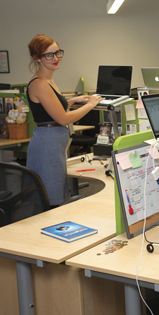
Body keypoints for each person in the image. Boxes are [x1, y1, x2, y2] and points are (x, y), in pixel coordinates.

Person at [25, 34, 103, 206]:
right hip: (47, 144)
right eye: (49, 55)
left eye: (58, 53)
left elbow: (52, 108)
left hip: (54, 142)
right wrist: (90, 104)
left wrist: (73, 101)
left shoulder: (49, 79)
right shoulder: (40, 83)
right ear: (37, 57)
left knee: (57, 192)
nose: (56, 58)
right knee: (50, 198)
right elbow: (62, 118)